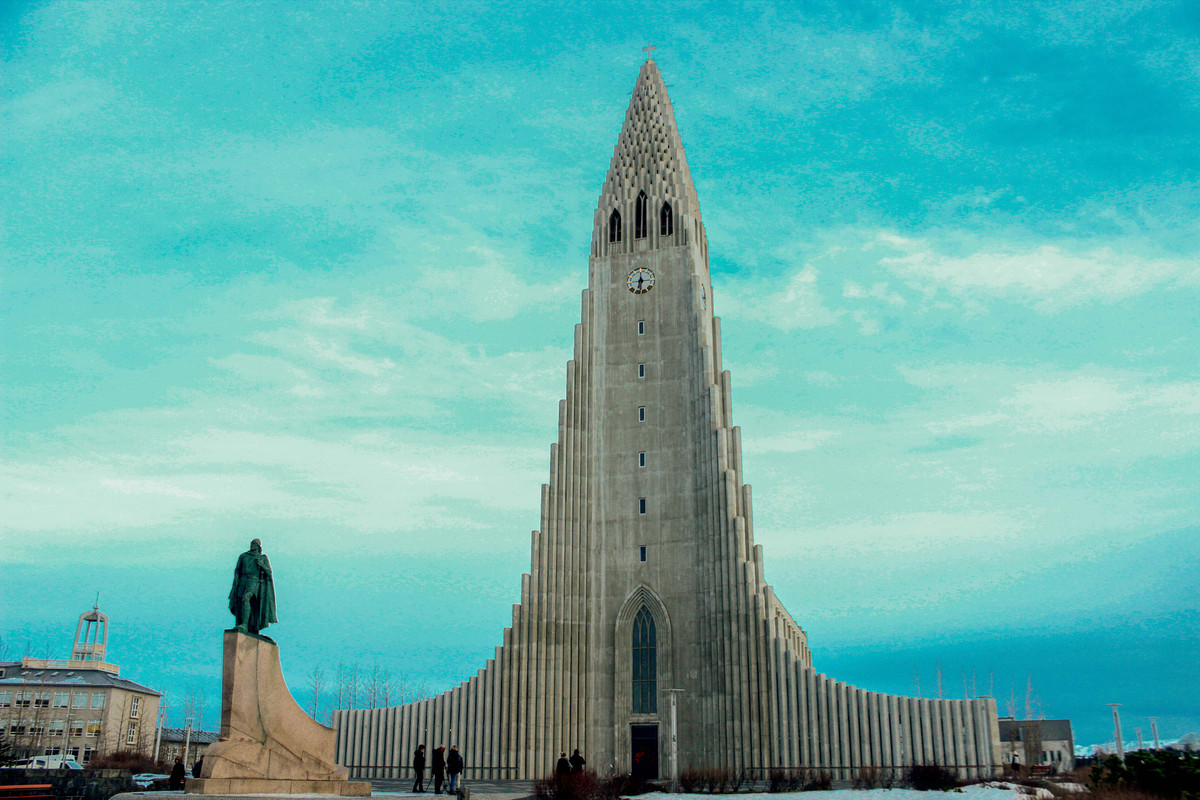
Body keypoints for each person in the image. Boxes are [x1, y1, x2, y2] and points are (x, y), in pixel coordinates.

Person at [227, 539, 278, 635]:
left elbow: (268, 573)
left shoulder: (262, 558)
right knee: (239, 602)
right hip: (242, 581)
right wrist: (236, 583)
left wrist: (262, 565)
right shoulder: (244, 556)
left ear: (259, 546)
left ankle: (245, 624)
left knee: (246, 598)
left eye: (255, 544)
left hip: (254, 581)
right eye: (252, 544)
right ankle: (243, 623)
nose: (252, 545)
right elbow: (237, 570)